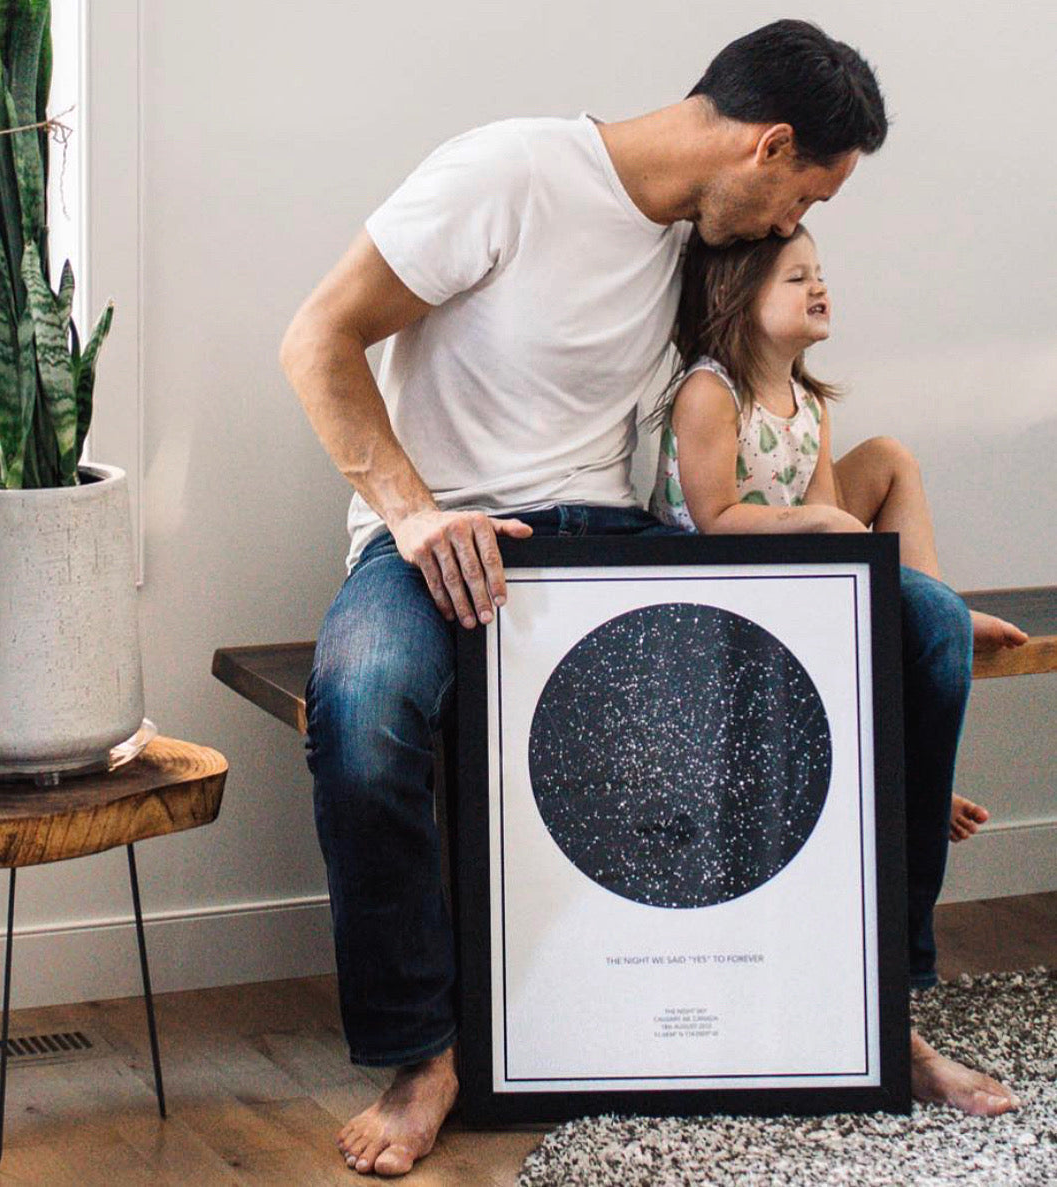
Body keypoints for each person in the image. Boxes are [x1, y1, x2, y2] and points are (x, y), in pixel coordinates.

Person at [281, 20, 1020, 1179]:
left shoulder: (694, 237)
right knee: (365, 706)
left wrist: (869, 604)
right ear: (770, 145)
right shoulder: (506, 172)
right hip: (441, 534)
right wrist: (418, 515)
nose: (792, 228)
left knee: (923, 626)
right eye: (801, 199)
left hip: (622, 541)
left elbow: (775, 412)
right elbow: (314, 339)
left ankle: (886, 1009)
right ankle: (422, 1052)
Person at [646, 225, 1028, 849]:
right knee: (859, 574)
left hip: (790, 551)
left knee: (889, 458)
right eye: (797, 279)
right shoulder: (709, 392)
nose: (819, 286)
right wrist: (821, 523)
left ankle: (935, 608)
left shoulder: (810, 404)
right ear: (735, 301)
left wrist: (831, 530)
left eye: (819, 274)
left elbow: (828, 515)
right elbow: (715, 517)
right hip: (720, 572)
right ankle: (916, 759)